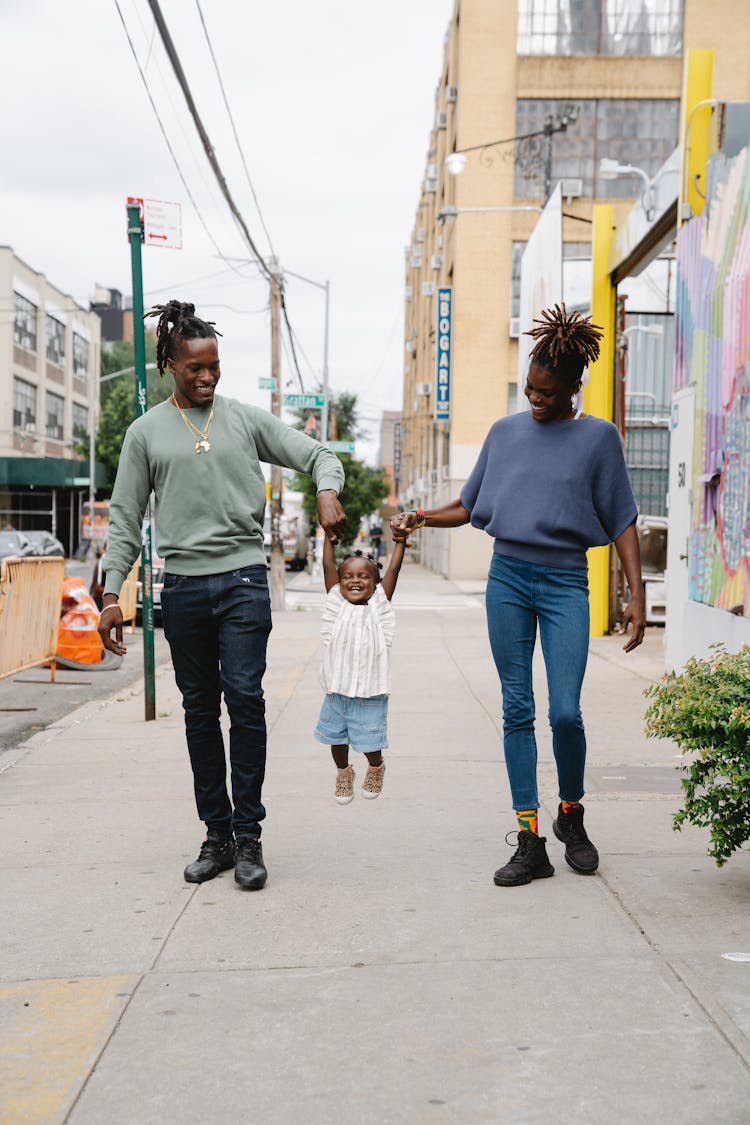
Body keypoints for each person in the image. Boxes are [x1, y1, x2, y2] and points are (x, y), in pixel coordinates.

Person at [392, 303, 645, 887]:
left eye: (546, 392)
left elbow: (623, 519)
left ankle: (571, 816)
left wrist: (635, 595)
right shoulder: (505, 434)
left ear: (574, 387)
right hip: (507, 576)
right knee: (516, 708)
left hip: (564, 582)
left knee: (565, 712)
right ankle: (529, 839)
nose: (534, 399)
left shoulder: (598, 438)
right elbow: (471, 505)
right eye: (529, 388)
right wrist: (421, 518)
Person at [98, 300, 346, 890]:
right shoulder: (145, 433)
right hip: (181, 587)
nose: (207, 377)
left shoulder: (243, 420)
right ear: (171, 366)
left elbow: (318, 454)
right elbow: (126, 516)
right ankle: (217, 836)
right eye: (195, 368)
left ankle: (250, 834)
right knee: (199, 713)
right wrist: (112, 592)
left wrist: (327, 491)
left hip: (240, 581)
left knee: (246, 701)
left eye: (214, 366)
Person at [314, 526, 409, 803]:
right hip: (337, 690)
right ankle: (344, 772)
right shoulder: (336, 604)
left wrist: (400, 543)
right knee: (336, 738)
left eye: (363, 577)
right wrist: (328, 538)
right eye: (348, 577)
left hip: (370, 692)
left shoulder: (379, 607)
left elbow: (392, 572)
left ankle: (376, 766)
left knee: (371, 743)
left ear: (375, 583)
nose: (354, 581)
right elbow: (327, 564)